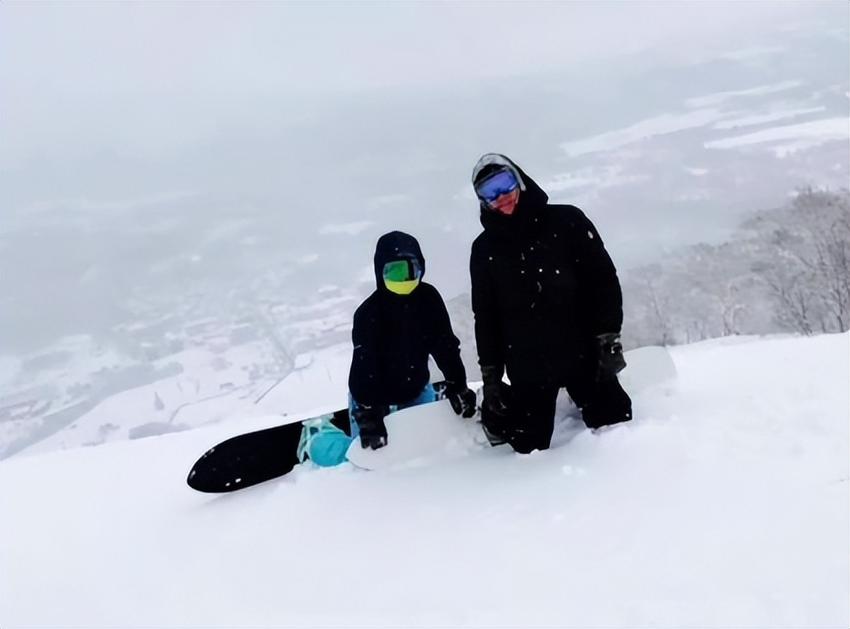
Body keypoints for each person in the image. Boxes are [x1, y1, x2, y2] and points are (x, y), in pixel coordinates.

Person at [469, 153, 631, 454]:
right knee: (529, 447)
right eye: (489, 193)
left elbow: (603, 281)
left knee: (617, 423)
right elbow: (486, 317)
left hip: (584, 355)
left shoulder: (567, 221)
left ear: (520, 180)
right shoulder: (484, 250)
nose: (501, 197)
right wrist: (491, 377)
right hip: (528, 367)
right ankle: (492, 418)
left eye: (505, 184)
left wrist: (609, 338)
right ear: (481, 201)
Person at [347, 230, 477, 450]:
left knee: (425, 448)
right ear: (381, 272)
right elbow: (363, 365)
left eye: (411, 269)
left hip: (416, 388)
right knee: (362, 458)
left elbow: (445, 346)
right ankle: (318, 437)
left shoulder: (429, 300)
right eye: (395, 272)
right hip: (371, 396)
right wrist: (368, 412)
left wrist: (458, 384)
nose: (405, 279)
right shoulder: (368, 314)